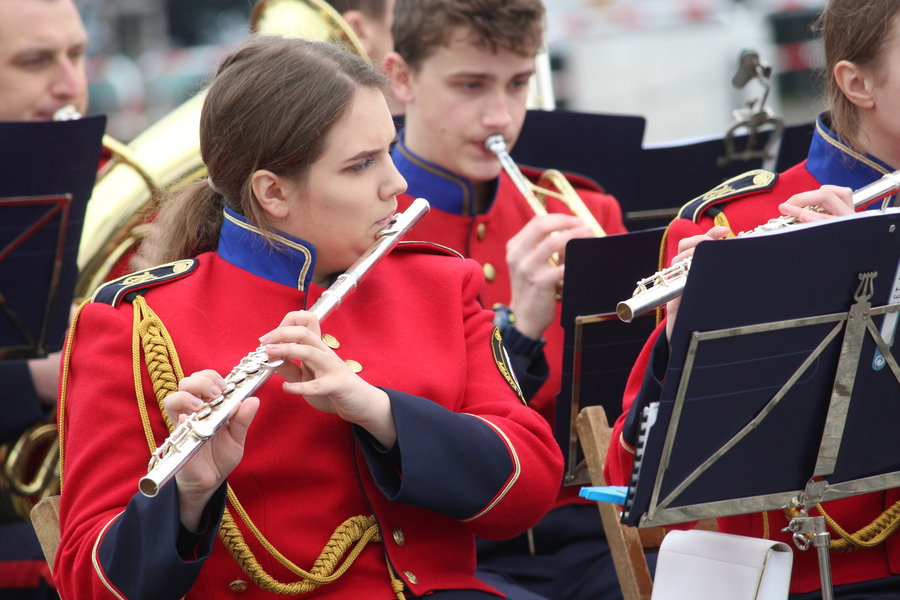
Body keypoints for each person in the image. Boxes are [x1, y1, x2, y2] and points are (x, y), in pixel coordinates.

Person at [53, 34, 563, 599]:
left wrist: (382, 412)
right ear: (272, 192)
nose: (397, 184)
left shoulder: (438, 283)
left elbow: (532, 485)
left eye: (390, 152)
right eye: (361, 165)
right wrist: (187, 496)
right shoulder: (136, 324)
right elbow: (86, 583)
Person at [605, 0, 900, 597]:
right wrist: (680, 343)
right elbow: (627, 476)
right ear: (857, 82)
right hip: (805, 577)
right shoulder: (732, 226)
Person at [383, 1, 627, 598]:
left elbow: (633, 416)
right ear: (401, 78)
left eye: (518, 83)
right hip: (451, 552)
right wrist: (517, 328)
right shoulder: (364, 237)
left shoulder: (585, 214)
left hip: (597, 533)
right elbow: (410, 445)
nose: (501, 115)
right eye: (471, 85)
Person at [0, 1, 88, 598]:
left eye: (77, 54)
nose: (70, 84)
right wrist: (38, 378)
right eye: (36, 61)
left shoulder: (102, 174)